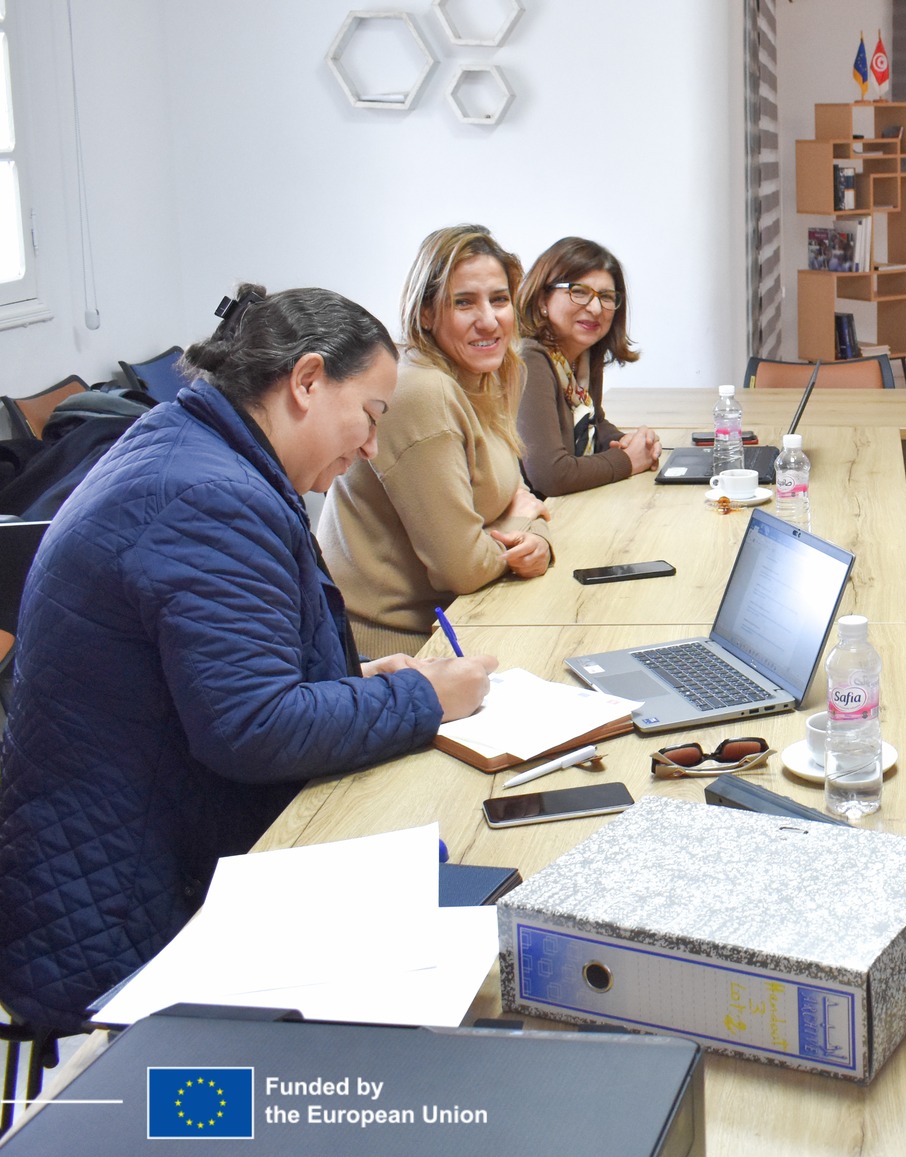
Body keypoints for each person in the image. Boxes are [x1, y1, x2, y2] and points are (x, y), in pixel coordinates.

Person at [0, 286, 496, 1034]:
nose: (370, 446)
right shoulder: (209, 495)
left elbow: (213, 674)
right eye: (370, 415)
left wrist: (352, 682)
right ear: (307, 380)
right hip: (124, 903)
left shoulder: (192, 444)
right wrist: (427, 699)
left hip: (118, 850)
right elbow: (252, 726)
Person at [319, 225, 554, 659]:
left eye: (499, 299)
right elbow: (462, 568)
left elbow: (519, 494)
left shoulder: (489, 374)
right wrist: (522, 526)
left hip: (463, 618)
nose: (489, 320)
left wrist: (535, 535)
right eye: (463, 302)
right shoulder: (422, 391)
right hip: (397, 649)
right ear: (426, 313)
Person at [514, 236, 662, 495]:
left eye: (606, 296)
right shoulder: (530, 359)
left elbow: (594, 424)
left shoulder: (582, 355)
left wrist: (625, 442)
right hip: (530, 515)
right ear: (542, 300)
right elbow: (551, 476)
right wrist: (628, 460)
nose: (595, 308)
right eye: (579, 292)